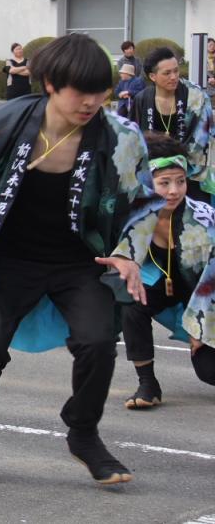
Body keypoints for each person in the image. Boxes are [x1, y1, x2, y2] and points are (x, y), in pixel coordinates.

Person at [0, 34, 152, 488]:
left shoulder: (120, 137)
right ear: (49, 84)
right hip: (7, 261)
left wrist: (127, 254)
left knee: (98, 341)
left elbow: (142, 203)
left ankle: (83, 433)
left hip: (79, 262)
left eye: (99, 91)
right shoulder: (2, 126)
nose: (91, 102)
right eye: (79, 91)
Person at [108, 134, 215, 410]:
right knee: (131, 299)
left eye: (180, 181)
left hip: (205, 297)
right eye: (164, 183)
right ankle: (148, 384)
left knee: (209, 371)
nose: (174, 191)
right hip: (158, 284)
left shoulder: (204, 218)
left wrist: (201, 328)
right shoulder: (131, 215)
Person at [130, 45, 215, 201]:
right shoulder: (142, 99)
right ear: (152, 76)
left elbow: (203, 140)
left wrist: (174, 166)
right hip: (153, 177)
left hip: (191, 175)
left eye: (176, 70)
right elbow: (135, 140)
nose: (174, 77)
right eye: (167, 73)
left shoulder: (196, 96)